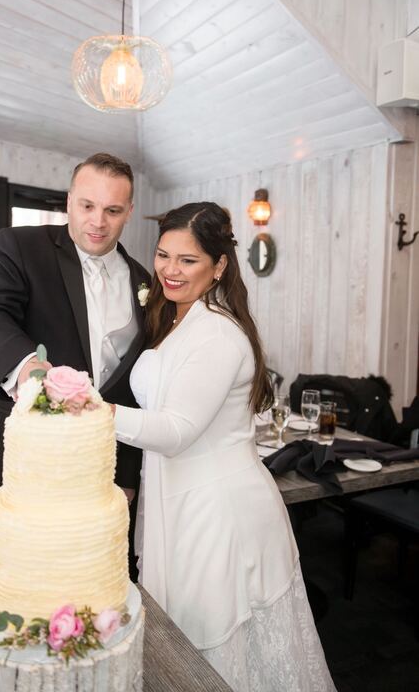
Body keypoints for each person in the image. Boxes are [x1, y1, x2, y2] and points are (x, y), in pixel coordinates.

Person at [111, 202, 336, 692]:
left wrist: (91, 409)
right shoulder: (174, 319)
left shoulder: (217, 333)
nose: (170, 270)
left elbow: (174, 431)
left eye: (187, 260)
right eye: (164, 255)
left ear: (219, 266)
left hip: (218, 513)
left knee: (211, 654)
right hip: (180, 501)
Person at [0, 153, 150, 598]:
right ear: (69, 201)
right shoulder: (21, 246)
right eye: (87, 205)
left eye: (112, 210)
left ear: (129, 212)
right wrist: (28, 370)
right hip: (18, 463)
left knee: (78, 598)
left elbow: (134, 388)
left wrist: (126, 477)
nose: (98, 221)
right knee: (2, 596)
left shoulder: (145, 281)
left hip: (94, 477)